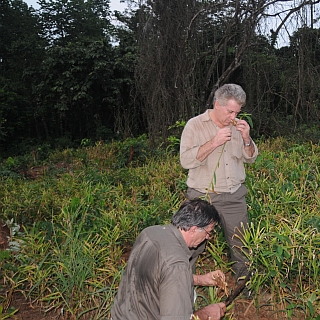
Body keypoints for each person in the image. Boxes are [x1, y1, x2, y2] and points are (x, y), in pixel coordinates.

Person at [180, 83, 258, 284]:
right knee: (190, 246)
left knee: (241, 245)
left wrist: (247, 139)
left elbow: (250, 158)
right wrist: (214, 142)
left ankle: (244, 289)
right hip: (202, 197)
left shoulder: (238, 127)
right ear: (217, 104)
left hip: (234, 197)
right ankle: (183, 287)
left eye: (237, 112)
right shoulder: (195, 125)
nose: (234, 117)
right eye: (230, 111)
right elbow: (185, 161)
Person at [111, 199, 226, 320]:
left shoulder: (150, 232)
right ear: (193, 230)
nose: (208, 237)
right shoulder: (177, 264)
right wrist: (206, 314)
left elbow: (160, 275)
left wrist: (200, 280)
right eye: (208, 232)